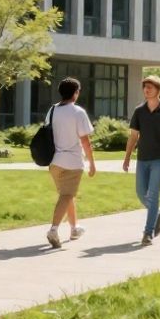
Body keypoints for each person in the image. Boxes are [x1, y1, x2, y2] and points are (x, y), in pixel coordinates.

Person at [123, 75, 160, 245]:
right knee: (141, 193)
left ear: (158, 90)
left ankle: (148, 233)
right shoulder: (139, 111)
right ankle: (158, 214)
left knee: (153, 195)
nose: (146, 90)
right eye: (145, 87)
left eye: (150, 87)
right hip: (142, 158)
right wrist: (127, 158)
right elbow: (133, 137)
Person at [46, 77, 97, 249]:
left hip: (54, 162)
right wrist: (92, 163)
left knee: (67, 194)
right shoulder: (78, 112)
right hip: (72, 162)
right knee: (67, 195)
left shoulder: (52, 110)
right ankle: (53, 229)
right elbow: (85, 141)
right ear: (76, 93)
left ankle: (74, 228)